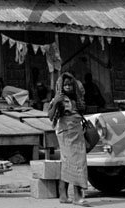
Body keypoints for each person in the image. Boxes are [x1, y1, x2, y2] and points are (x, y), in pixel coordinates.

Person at [48, 72, 89, 206]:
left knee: (69, 162)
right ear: (61, 86)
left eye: (70, 85)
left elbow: (82, 110)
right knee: (77, 162)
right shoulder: (58, 98)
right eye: (65, 85)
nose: (68, 87)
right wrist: (56, 103)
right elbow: (50, 115)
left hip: (76, 132)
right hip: (65, 132)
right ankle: (77, 197)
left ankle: (63, 195)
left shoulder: (76, 98)